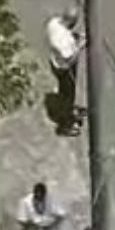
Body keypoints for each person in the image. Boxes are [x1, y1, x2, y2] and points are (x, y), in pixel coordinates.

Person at [44, 8, 84, 136]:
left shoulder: (53, 23)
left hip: (55, 62)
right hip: (64, 67)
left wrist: (75, 37)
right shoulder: (62, 41)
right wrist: (80, 45)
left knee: (63, 90)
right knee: (68, 93)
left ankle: (67, 109)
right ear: (71, 22)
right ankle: (65, 125)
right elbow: (69, 57)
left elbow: (66, 34)